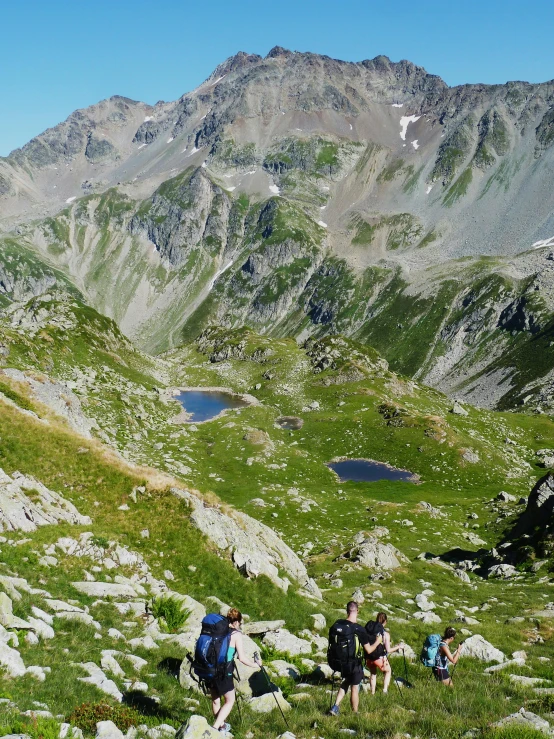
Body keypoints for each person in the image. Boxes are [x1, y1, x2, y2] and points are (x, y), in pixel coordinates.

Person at [209, 608, 261, 734]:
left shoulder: (216, 630)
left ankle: (222, 727)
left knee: (216, 700)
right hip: (224, 671)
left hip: (210, 668)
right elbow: (241, 658)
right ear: (237, 622)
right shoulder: (236, 635)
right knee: (230, 700)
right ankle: (215, 729)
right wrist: (255, 665)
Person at [328, 601, 383, 716]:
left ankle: (335, 706)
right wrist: (378, 642)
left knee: (346, 682)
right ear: (357, 611)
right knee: (354, 686)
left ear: (347, 611)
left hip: (340, 662)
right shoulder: (358, 629)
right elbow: (369, 650)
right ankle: (355, 713)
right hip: (353, 663)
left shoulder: (338, 623)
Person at [365, 612, 404, 694]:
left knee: (373, 673)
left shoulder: (370, 629)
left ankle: (372, 693)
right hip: (379, 657)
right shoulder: (385, 634)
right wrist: (398, 647)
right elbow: (388, 650)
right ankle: (385, 690)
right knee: (388, 671)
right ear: (385, 621)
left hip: (369, 656)